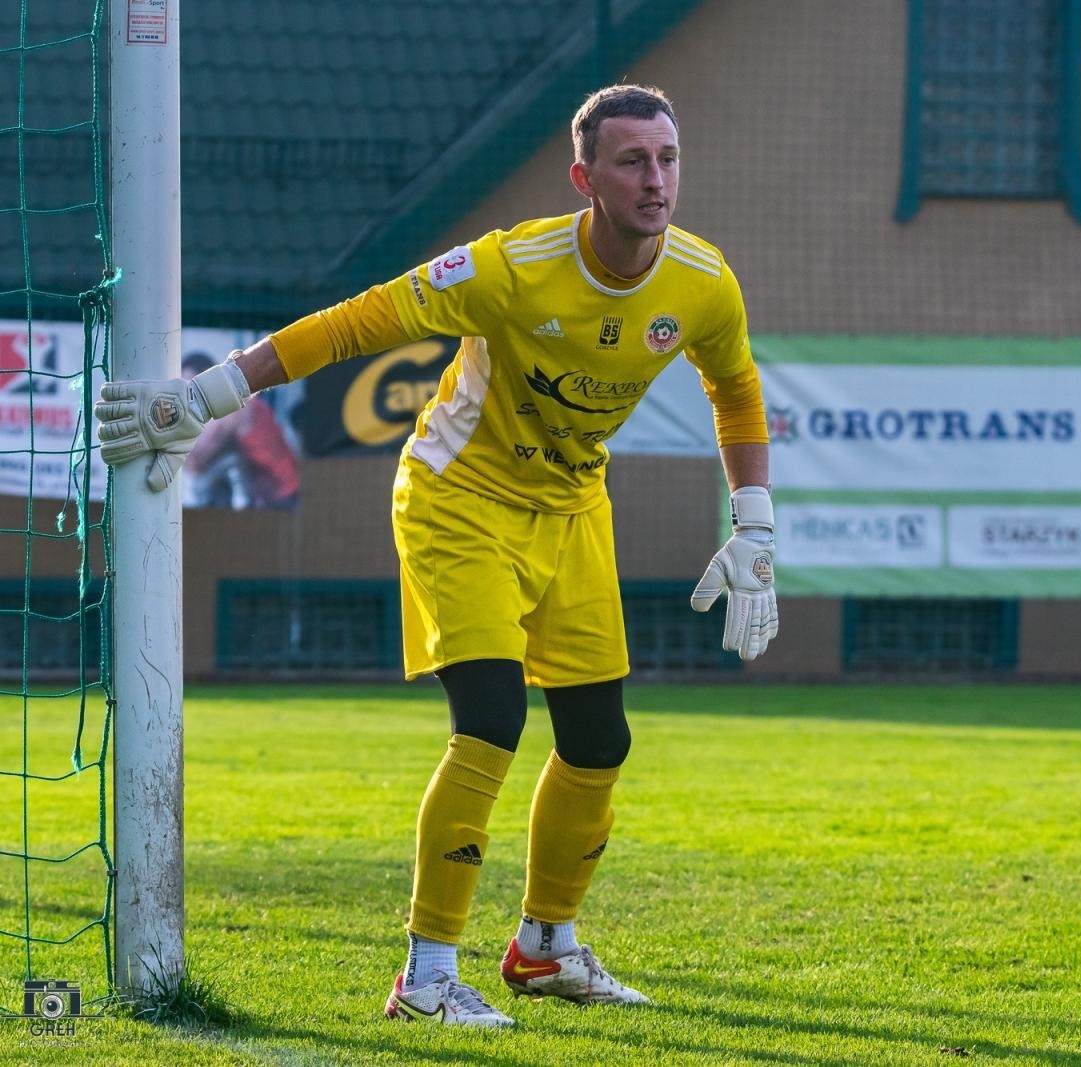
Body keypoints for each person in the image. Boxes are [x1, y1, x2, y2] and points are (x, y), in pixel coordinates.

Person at [96, 84, 778, 1025]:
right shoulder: (508, 266)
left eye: (666, 158)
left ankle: (546, 948)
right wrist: (213, 395)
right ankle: (425, 975)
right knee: (491, 722)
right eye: (632, 161)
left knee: (599, 741)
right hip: (458, 500)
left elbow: (736, 388)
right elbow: (359, 321)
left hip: (574, 509)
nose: (655, 179)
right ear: (586, 178)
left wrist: (756, 525)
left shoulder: (703, 282)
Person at [178, 351, 301, 509]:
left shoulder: (237, 406)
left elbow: (195, 461)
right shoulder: (233, 403)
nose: (189, 401)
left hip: (283, 500)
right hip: (267, 499)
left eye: (192, 391)